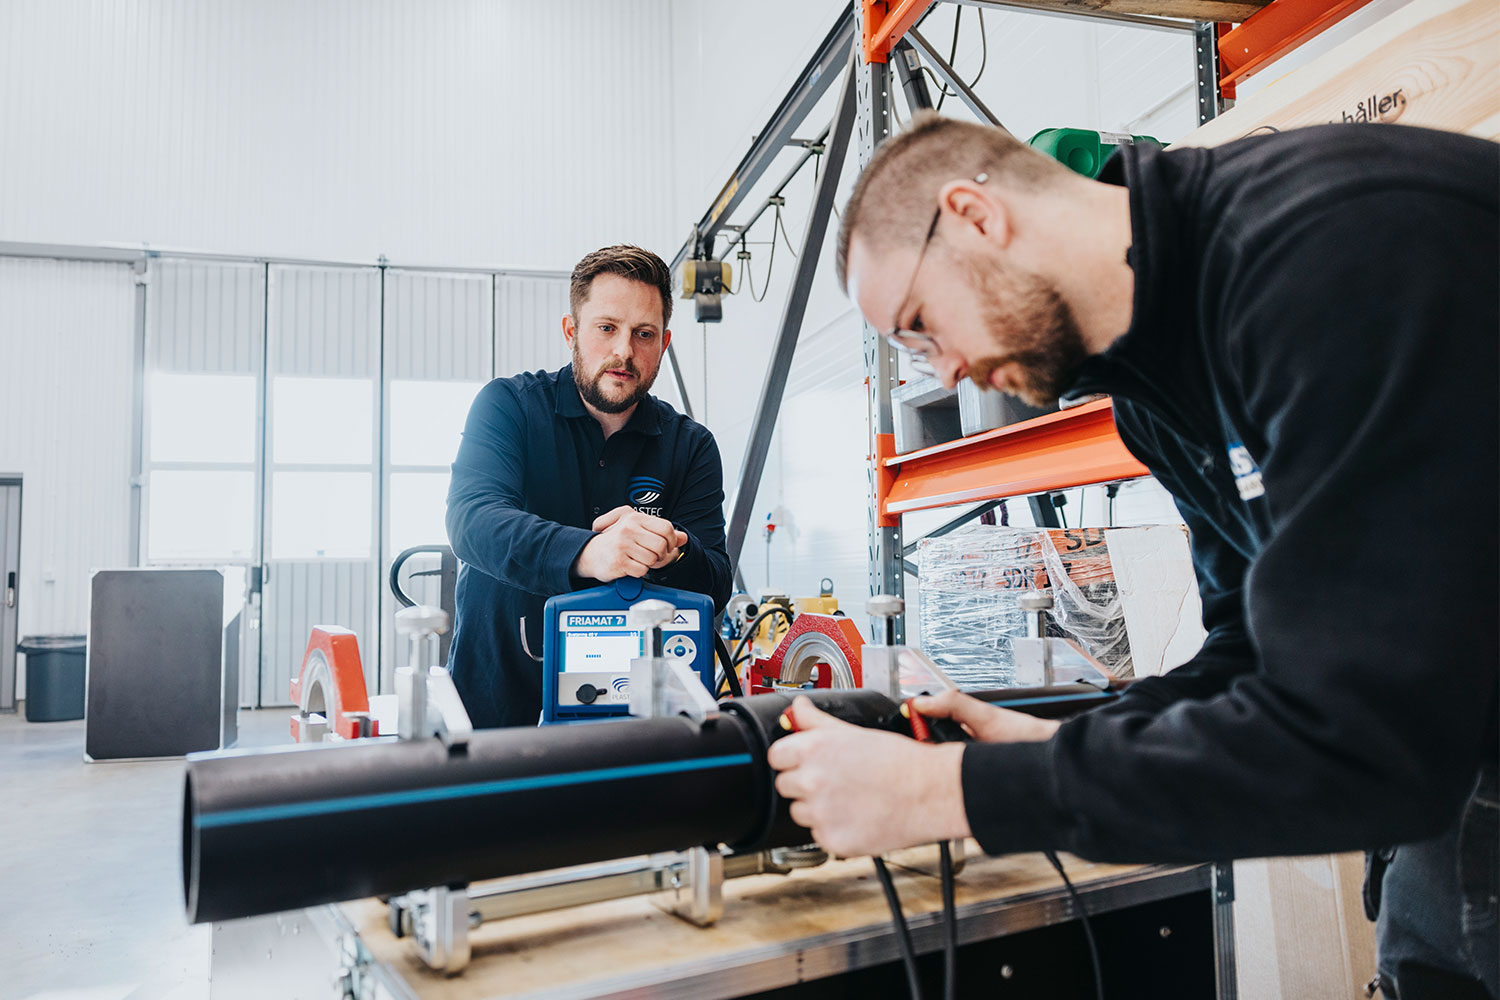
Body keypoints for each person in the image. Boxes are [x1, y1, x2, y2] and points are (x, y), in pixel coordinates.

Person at [767, 114, 1497, 999]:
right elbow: (1253, 655)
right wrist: (1064, 741)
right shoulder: (1153, 392)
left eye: (921, 327)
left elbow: (1368, 740)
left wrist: (953, 793)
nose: (946, 372)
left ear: (973, 216)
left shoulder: (1321, 254)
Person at [445, 245, 732, 728]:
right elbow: (471, 520)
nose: (624, 351)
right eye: (607, 328)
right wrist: (588, 553)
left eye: (644, 334)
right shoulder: (508, 408)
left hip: (635, 713)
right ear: (571, 331)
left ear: (663, 344)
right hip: (497, 705)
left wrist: (676, 552)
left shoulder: (691, 446)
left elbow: (716, 583)